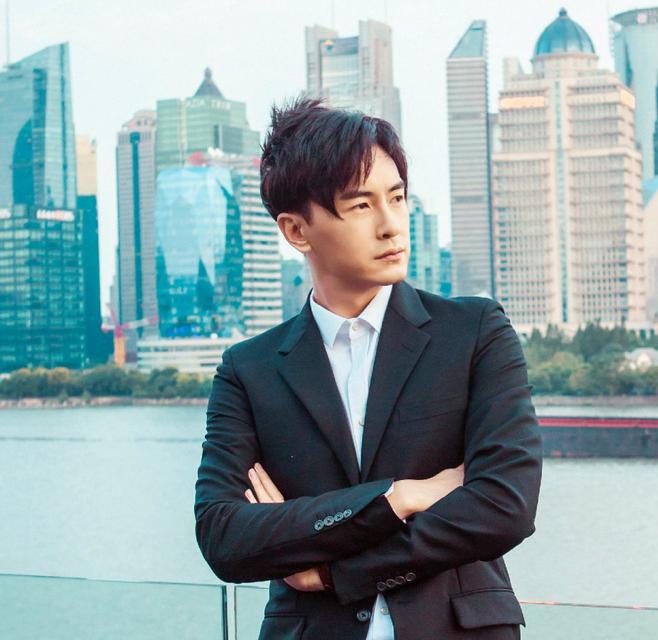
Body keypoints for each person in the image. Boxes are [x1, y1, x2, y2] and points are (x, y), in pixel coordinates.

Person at [194, 97, 543, 640]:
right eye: (360, 206)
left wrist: (336, 572)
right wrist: (398, 498)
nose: (390, 225)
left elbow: (505, 505)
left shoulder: (475, 332)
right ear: (296, 230)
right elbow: (224, 538)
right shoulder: (249, 370)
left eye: (397, 198)